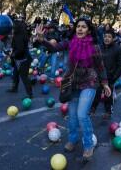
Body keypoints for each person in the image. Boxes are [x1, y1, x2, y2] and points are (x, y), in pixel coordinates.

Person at [36, 18, 111, 160]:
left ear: (88, 30)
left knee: (82, 114)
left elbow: (100, 66)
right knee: (72, 116)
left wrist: (105, 83)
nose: (80, 29)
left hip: (89, 82)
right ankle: (73, 139)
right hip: (73, 83)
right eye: (78, 27)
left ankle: (88, 145)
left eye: (83, 27)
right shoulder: (70, 43)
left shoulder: (95, 47)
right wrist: (42, 39)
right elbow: (54, 48)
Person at [91, 29, 121, 119]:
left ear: (113, 38)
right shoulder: (99, 47)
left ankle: (108, 111)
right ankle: (93, 108)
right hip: (98, 76)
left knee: (108, 95)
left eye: (109, 37)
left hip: (110, 76)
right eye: (105, 36)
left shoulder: (117, 49)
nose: (107, 38)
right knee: (96, 93)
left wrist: (115, 76)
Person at [6, 18, 33, 99]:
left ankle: (30, 94)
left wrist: (13, 55)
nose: (12, 29)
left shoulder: (19, 36)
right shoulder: (19, 35)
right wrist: (10, 52)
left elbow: (20, 49)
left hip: (23, 60)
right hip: (19, 59)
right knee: (15, 75)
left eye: (13, 27)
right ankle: (14, 88)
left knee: (24, 77)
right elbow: (15, 47)